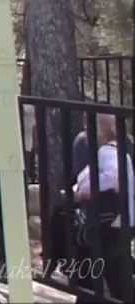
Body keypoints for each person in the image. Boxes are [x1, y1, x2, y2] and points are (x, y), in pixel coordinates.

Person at [71, 114, 134, 303]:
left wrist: (85, 191)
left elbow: (113, 176)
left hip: (111, 222)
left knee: (111, 271)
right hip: (118, 221)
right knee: (107, 267)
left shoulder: (108, 151)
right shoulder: (118, 149)